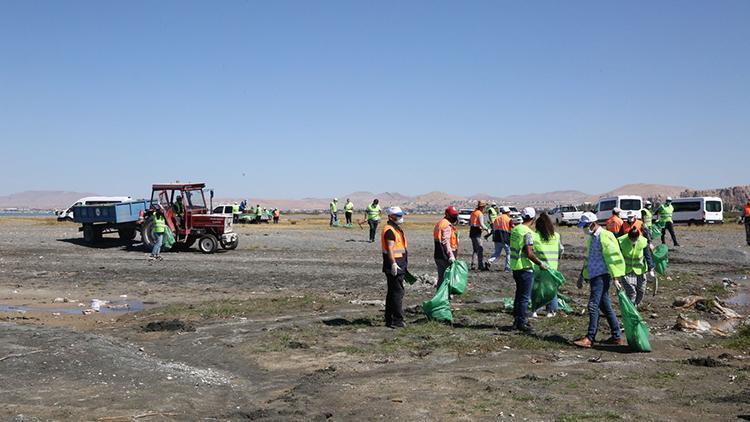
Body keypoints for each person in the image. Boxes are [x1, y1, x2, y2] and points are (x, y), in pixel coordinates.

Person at [573, 212, 626, 348]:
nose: (584, 229)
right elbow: (589, 258)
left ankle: (590, 338)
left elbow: (613, 257)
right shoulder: (592, 237)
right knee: (605, 305)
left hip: (602, 275)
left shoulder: (605, 236)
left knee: (593, 305)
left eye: (585, 226)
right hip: (594, 275)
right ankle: (616, 336)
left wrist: (615, 277)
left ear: (592, 223)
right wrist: (582, 276)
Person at [509, 207, 547, 333]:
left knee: (518, 295)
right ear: (533, 219)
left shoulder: (516, 229)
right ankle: (522, 322)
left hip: (515, 266)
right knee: (524, 297)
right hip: (525, 267)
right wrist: (540, 263)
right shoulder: (527, 232)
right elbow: (529, 253)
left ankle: (516, 320)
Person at [532, 213, 564, 317]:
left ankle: (534, 310)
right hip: (553, 267)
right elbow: (561, 250)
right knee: (551, 288)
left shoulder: (535, 236)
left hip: (539, 267)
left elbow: (531, 251)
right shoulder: (556, 236)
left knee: (537, 289)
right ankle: (552, 311)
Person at [381, 207, 408, 328]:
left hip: (398, 263)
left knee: (392, 292)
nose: (401, 217)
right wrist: (393, 264)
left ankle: (389, 319)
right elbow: (390, 249)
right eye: (398, 215)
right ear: (391, 217)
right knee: (397, 292)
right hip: (395, 265)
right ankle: (397, 320)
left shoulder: (395, 229)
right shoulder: (390, 230)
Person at [618, 226, 655, 306]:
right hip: (626, 271)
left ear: (638, 237)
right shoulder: (621, 242)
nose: (633, 241)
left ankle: (635, 306)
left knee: (641, 291)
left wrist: (651, 269)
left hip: (640, 271)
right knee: (631, 292)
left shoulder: (643, 242)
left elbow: (648, 256)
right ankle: (631, 311)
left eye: (635, 239)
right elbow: (616, 257)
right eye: (631, 239)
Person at [434, 206, 459, 289]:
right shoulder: (447, 225)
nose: (455, 217)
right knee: (448, 278)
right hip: (446, 255)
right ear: (448, 215)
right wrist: (451, 256)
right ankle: (445, 297)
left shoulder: (440, 223)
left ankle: (439, 296)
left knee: (441, 277)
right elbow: (446, 242)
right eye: (453, 215)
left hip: (438, 254)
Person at [487, 206, 514, 272]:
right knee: (508, 253)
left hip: (497, 238)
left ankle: (489, 261)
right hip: (506, 238)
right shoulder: (509, 219)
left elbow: (493, 227)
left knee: (497, 253)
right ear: (507, 212)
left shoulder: (497, 218)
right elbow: (513, 228)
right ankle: (507, 268)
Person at [469, 200, 490, 271]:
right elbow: (481, 224)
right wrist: (487, 229)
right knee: (480, 249)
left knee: (475, 250)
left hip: (472, 231)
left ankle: (473, 265)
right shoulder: (480, 213)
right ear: (483, 206)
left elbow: (471, 223)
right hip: (477, 233)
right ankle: (480, 265)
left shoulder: (473, 212)